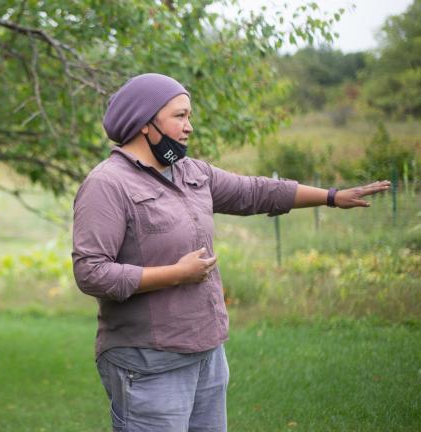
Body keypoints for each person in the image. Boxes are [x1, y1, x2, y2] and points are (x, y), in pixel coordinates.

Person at [71, 73, 390, 432]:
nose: (189, 127)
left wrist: (332, 197)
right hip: (148, 361)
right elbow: (91, 272)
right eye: (180, 116)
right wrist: (175, 274)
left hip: (207, 353)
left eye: (189, 116)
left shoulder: (191, 172)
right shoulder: (107, 184)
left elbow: (256, 192)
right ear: (146, 124)